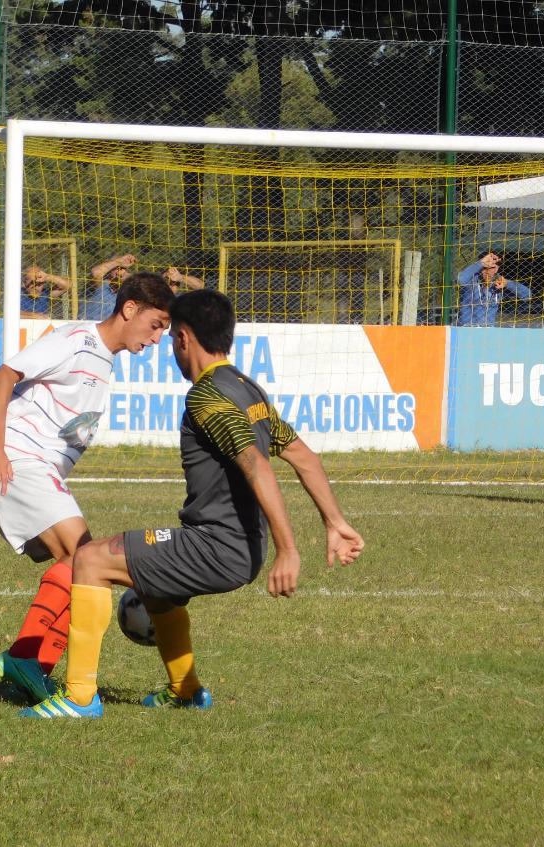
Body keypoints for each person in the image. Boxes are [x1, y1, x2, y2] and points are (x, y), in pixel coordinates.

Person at [20, 289, 365, 719]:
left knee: (90, 558)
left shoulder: (206, 397)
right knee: (157, 589)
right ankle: (186, 690)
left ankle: (79, 697)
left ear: (183, 338)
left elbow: (257, 466)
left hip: (218, 546)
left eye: (171, 343)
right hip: (240, 547)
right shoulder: (244, 386)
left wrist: (290, 551)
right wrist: (335, 523)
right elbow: (304, 456)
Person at [0, 273, 175, 703]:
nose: (157, 339)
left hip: (28, 468)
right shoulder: (77, 340)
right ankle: (28, 659)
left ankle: (31, 660)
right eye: (156, 325)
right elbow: (4, 376)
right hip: (20, 460)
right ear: (130, 309)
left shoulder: (104, 361)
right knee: (85, 557)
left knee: (84, 562)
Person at [455, 251, 531, 326]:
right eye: (484, 267)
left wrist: (508, 284)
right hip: (467, 328)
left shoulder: (499, 284)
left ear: (497, 269)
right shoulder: (471, 281)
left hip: (488, 330)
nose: (487, 271)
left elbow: (527, 295)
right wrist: (481, 263)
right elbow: (460, 279)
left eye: (491, 267)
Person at [78, 253, 135, 322]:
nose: (119, 271)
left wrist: (127, 276)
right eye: (116, 267)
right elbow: (95, 273)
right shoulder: (100, 284)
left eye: (123, 268)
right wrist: (118, 261)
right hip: (87, 327)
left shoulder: (123, 292)